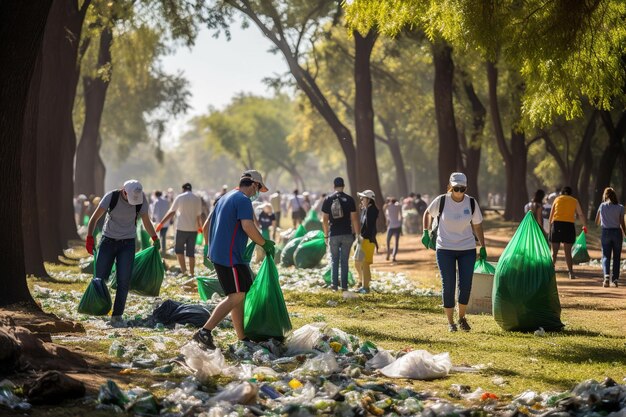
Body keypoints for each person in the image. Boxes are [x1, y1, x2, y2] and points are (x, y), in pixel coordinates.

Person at [192, 170, 275, 349]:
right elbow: (247, 226)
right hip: (229, 256)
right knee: (236, 295)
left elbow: (208, 225)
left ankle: (241, 336)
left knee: (240, 295)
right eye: (258, 188)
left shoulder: (225, 197)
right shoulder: (243, 200)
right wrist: (264, 243)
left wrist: (208, 247)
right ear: (253, 184)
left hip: (224, 254)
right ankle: (204, 332)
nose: (257, 192)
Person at [85, 180, 159, 326]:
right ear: (124, 191)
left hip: (128, 243)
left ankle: (117, 315)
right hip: (108, 241)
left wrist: (154, 237)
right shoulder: (111, 197)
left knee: (124, 281)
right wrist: (89, 237)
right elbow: (94, 218)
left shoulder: (141, 199)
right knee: (99, 278)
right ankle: (98, 307)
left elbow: (146, 220)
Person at [421, 172, 486, 332]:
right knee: (448, 285)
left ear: (466, 188)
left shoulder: (471, 203)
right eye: (456, 188)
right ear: (450, 187)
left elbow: (477, 225)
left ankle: (462, 317)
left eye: (462, 189)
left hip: (467, 249)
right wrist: (425, 231)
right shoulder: (442, 200)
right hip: (445, 249)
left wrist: (483, 246)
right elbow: (427, 214)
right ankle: (451, 322)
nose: (458, 192)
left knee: (465, 285)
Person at [321, 177, 360, 292]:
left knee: (334, 260)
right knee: (344, 261)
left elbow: (324, 220)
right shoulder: (350, 199)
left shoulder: (328, 199)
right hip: (347, 234)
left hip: (334, 234)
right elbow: (354, 219)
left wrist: (326, 235)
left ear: (334, 186)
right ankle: (344, 286)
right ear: (343, 186)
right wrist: (358, 235)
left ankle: (334, 285)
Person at [156, 183, 203, 276]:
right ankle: (192, 273)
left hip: (181, 228)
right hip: (193, 229)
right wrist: (200, 227)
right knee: (191, 252)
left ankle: (184, 271)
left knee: (179, 251)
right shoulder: (197, 198)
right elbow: (198, 216)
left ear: (183, 189)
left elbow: (172, 212)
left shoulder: (180, 197)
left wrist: (161, 223)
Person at [549, 186, 588, 279]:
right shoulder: (574, 200)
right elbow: (580, 214)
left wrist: (551, 228)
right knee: (568, 252)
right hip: (568, 226)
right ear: (570, 193)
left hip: (557, 224)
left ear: (562, 193)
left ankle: (550, 272)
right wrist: (584, 226)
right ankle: (571, 273)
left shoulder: (557, 199)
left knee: (554, 252)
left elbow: (551, 215)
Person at [595, 187, 625, 288]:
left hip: (606, 232)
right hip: (617, 232)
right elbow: (622, 223)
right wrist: (625, 233)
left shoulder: (602, 206)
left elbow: (597, 221)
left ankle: (606, 277)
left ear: (605, 196)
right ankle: (615, 279)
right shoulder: (620, 207)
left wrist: (604, 220)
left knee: (606, 256)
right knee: (617, 257)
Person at [355, 190, 379, 293]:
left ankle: (365, 287)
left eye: (363, 198)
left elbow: (369, 228)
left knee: (365, 264)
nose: (361, 199)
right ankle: (363, 284)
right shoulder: (366, 209)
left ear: (369, 199)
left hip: (368, 240)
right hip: (364, 239)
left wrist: (363, 237)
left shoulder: (372, 210)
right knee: (359, 263)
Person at [150, 190, 170, 256]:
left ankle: (160, 251)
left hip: (159, 223)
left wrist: (152, 220)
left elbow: (153, 212)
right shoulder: (166, 201)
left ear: (156, 195)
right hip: (166, 222)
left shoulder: (156, 202)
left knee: (159, 237)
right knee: (163, 237)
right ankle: (163, 251)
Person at [385, 197, 402, 262]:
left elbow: (387, 216)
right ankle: (394, 256)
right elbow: (401, 216)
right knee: (396, 242)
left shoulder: (388, 207)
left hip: (391, 227)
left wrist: (388, 202)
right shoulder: (398, 206)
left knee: (388, 241)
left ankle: (388, 253)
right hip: (397, 226)